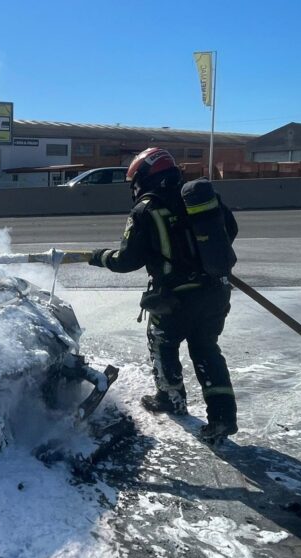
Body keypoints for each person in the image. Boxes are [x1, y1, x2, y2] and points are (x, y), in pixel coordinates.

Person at [88, 147, 239, 443]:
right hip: (215, 291)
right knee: (206, 349)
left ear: (143, 177)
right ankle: (223, 417)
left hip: (175, 297)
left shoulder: (147, 209)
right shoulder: (200, 199)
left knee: (162, 342)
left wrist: (98, 256)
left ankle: (170, 398)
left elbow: (126, 261)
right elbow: (229, 230)